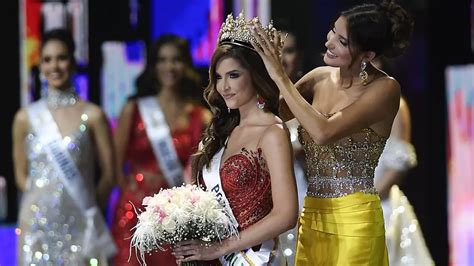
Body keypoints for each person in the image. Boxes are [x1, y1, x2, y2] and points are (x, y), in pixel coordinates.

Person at [250, 0, 414, 265]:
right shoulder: (319, 78)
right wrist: (253, 69)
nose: (329, 42)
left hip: (355, 220)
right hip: (312, 215)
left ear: (367, 55)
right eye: (331, 32)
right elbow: (268, 116)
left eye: (342, 41)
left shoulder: (385, 89)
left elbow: (324, 132)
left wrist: (280, 76)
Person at [172, 13, 298, 265]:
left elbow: (286, 214)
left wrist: (220, 248)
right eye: (218, 77)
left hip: (255, 259)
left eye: (233, 75)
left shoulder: (272, 131)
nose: (223, 87)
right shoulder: (223, 129)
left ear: (255, 74)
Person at [12, 28, 116, 265]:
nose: (55, 66)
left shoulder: (93, 115)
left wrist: (89, 209)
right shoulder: (25, 118)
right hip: (36, 228)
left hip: (82, 225)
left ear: (73, 61)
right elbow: (20, 176)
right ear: (39, 65)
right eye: (47, 59)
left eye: (61, 57)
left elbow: (110, 175)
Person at [111, 34, 212, 266]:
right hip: (134, 212)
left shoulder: (200, 116)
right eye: (162, 60)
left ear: (185, 64)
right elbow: (115, 166)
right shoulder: (134, 110)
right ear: (154, 66)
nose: (169, 67)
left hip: (175, 215)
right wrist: (128, 198)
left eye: (176, 60)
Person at [374, 94, 434, 265]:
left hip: (380, 202)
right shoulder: (336, 100)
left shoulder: (395, 105)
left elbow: (400, 163)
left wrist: (367, 200)